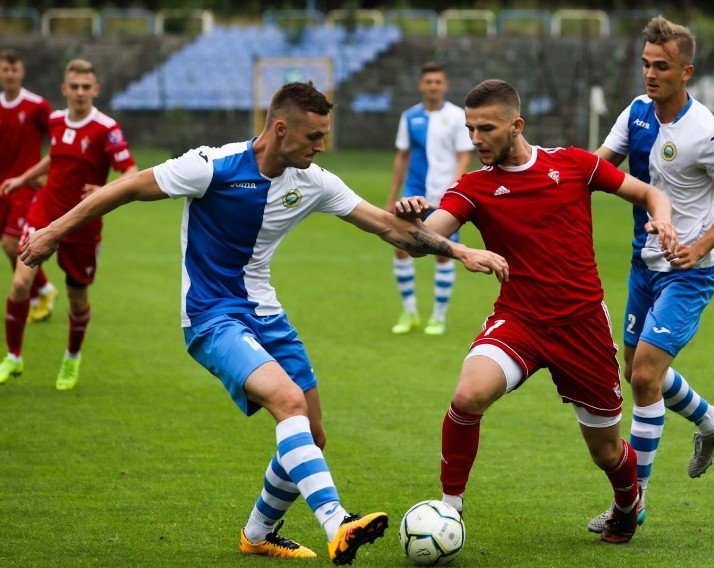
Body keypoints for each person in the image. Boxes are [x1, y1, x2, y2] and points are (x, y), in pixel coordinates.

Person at [19, 81, 509, 563]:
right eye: (314, 137)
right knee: (288, 402)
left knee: (312, 435)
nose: (322, 146)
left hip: (267, 314)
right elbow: (126, 187)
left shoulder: (314, 180)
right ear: (280, 128)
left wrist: (459, 249)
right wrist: (52, 232)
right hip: (212, 315)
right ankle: (337, 522)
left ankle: (258, 534)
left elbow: (387, 226)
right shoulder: (211, 166)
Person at [394, 79, 678, 545]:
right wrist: (413, 222)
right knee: (467, 397)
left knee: (606, 452)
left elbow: (649, 194)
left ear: (517, 125)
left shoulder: (572, 165)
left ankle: (628, 505)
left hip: (582, 325)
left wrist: (662, 218)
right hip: (519, 321)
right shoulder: (474, 188)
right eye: (470, 128)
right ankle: (450, 508)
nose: (476, 139)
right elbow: (422, 238)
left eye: (486, 128)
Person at [587, 16, 714, 534]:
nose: (650, 74)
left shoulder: (710, 133)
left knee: (642, 378)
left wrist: (699, 246)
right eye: (645, 64)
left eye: (661, 66)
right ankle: (710, 422)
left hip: (690, 272)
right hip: (643, 264)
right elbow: (598, 167)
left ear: (687, 71)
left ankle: (632, 503)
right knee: (636, 367)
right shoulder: (635, 113)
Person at [0, 58, 138, 391]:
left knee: (77, 300)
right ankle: (14, 357)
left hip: (82, 224)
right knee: (20, 283)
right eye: (73, 87)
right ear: (64, 89)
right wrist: (23, 178)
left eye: (85, 87)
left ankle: (71, 358)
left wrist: (104, 191)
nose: (79, 92)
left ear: (95, 89)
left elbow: (131, 173)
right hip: (43, 212)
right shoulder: (56, 121)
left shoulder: (107, 128)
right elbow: (56, 157)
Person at [385, 61, 473, 336]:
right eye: (429, 81)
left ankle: (438, 316)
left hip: (444, 198)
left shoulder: (458, 116)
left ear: (445, 85)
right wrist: (392, 196)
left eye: (438, 81)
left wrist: (453, 191)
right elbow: (402, 157)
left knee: (444, 254)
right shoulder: (410, 117)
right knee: (400, 246)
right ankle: (409, 311)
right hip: (413, 195)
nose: (433, 86)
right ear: (421, 85)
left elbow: (463, 156)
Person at [0, 49, 57, 334]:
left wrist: (42, 172)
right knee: (8, 244)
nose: (9, 74)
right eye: (4, 70)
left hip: (25, 188)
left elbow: (58, 139)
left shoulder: (36, 106)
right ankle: (42, 288)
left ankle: (40, 290)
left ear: (22, 72)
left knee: (12, 245)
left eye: (14, 69)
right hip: (1, 187)